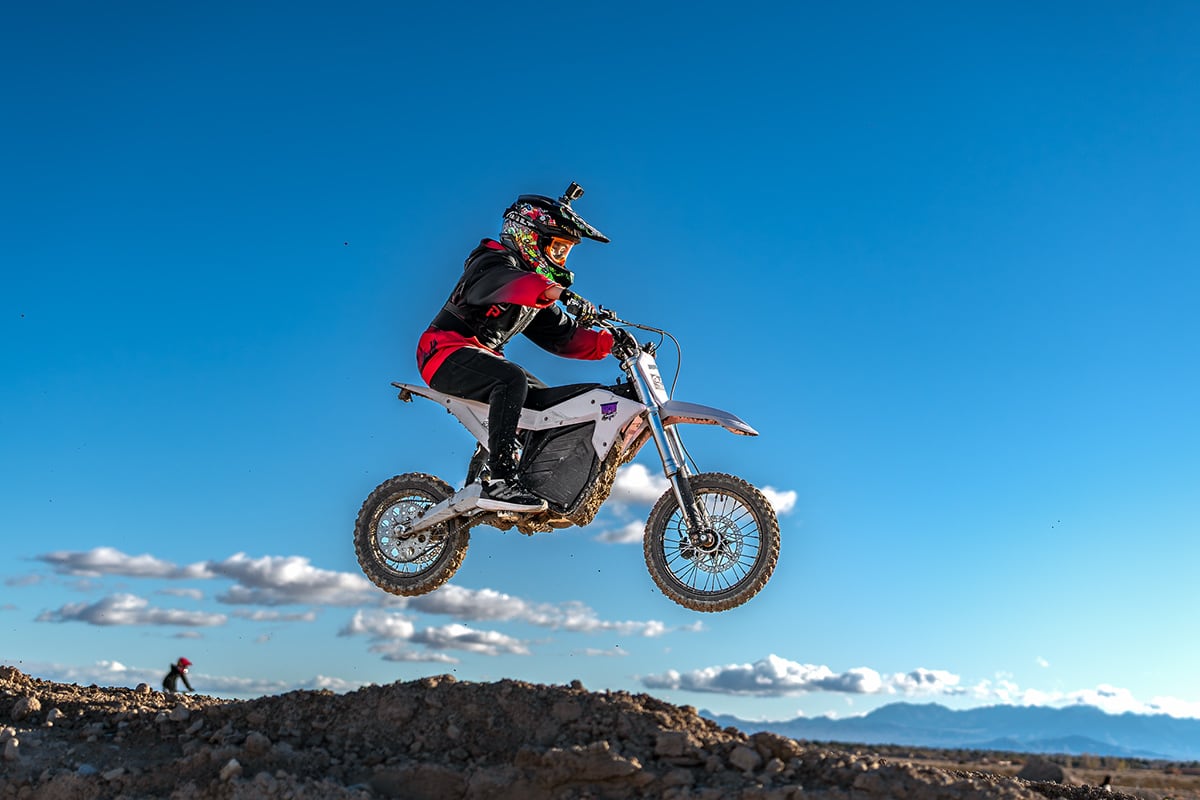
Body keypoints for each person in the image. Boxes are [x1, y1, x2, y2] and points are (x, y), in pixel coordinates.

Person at [416, 183, 614, 512]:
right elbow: (510, 283)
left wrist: (611, 343)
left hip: (483, 359)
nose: (562, 259)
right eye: (558, 249)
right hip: (443, 353)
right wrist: (559, 293)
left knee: (552, 406)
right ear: (530, 237)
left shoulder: (532, 294)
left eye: (565, 252)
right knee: (511, 379)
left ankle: (532, 480)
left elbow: (564, 336)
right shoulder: (490, 263)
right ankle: (501, 479)